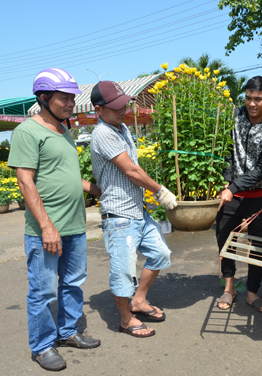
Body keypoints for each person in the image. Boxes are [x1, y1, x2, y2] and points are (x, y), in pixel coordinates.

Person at [8, 68, 102, 372]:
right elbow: (26, 182)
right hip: (45, 230)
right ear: (44, 97)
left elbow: (67, 174)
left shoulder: (64, 131)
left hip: (75, 224)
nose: (71, 102)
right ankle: (42, 346)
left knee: (73, 283)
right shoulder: (27, 131)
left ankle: (68, 332)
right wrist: (47, 226)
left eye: (72, 97)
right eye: (64, 97)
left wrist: (92, 188)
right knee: (44, 290)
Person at [89, 80, 177, 338]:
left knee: (160, 254)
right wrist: (159, 190)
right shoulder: (102, 133)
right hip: (119, 216)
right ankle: (127, 319)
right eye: (115, 107)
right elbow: (131, 170)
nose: (122, 110)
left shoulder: (122, 128)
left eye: (123, 104)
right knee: (123, 271)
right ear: (98, 109)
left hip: (138, 211)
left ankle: (138, 300)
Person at [216, 76, 262, 313]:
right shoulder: (234, 117)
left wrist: (233, 187)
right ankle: (229, 288)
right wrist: (227, 181)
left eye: (258, 99)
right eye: (248, 98)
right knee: (224, 240)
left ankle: (252, 293)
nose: (252, 104)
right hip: (232, 196)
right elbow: (226, 152)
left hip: (259, 197)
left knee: (258, 246)